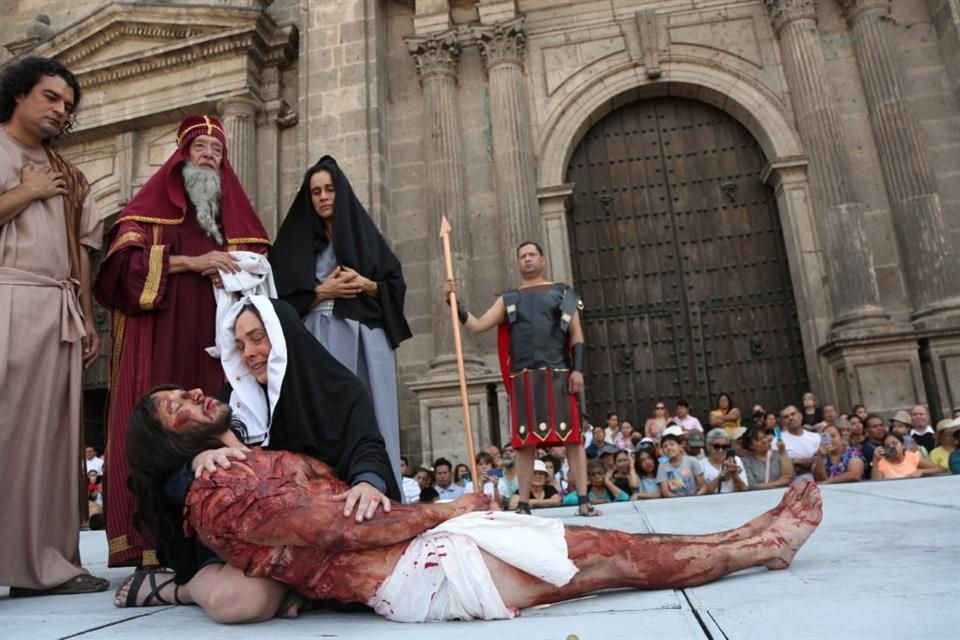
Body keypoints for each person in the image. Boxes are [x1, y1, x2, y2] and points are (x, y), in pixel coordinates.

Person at [123, 392, 823, 623]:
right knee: (609, 556)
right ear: (166, 443)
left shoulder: (245, 459)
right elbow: (332, 528)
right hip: (412, 573)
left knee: (603, 548)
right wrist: (445, 508)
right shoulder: (217, 490)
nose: (192, 398)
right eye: (174, 409)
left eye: (185, 390)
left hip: (417, 551)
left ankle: (751, 534)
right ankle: (761, 546)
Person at [115, 296, 400, 618]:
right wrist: (198, 459)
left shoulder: (342, 391)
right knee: (238, 600)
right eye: (239, 345)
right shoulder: (230, 406)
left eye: (257, 338)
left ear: (283, 334)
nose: (248, 353)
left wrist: (367, 481)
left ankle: (303, 590)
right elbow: (169, 464)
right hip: (249, 548)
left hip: (320, 530)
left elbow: (367, 446)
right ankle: (178, 589)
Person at [95, 114, 270, 567]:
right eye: (201, 149)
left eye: (217, 151)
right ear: (182, 157)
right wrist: (192, 263)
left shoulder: (234, 220)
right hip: (162, 340)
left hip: (220, 346)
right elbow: (120, 274)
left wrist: (239, 265)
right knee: (165, 427)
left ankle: (229, 533)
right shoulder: (148, 215)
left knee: (219, 420)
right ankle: (154, 541)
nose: (210, 156)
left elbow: (264, 269)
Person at [0, 57, 109, 596]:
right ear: (18, 94)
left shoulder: (70, 174)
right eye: (49, 97)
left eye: (66, 104)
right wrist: (25, 192)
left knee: (49, 442)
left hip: (57, 309)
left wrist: (88, 317)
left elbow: (82, 254)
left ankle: (41, 566)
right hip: (7, 298)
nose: (59, 110)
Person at [270, 156, 412, 490]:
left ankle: (380, 490)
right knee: (327, 416)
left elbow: (394, 285)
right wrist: (320, 292)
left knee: (374, 411)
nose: (323, 197)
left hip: (367, 336)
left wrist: (367, 285)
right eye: (316, 191)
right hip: (316, 337)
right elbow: (279, 299)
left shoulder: (366, 238)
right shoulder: (296, 244)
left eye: (329, 189)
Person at [444, 241, 593, 516]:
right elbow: (477, 325)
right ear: (517, 263)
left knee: (572, 439)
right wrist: (455, 303)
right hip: (524, 378)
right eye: (522, 256)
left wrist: (578, 370)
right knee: (525, 443)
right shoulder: (509, 299)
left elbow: (577, 335)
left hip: (559, 374)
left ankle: (584, 500)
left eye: (532, 255)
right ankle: (523, 504)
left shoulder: (563, 293)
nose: (527, 259)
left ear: (542, 260)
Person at [870, 433, 942, 480]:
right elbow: (876, 482)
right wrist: (875, 460)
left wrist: (921, 471)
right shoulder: (881, 462)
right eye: (887, 446)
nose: (891, 447)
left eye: (894, 443)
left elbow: (938, 469)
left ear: (903, 445)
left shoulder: (911, 456)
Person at [657, 433, 705, 497]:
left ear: (680, 446)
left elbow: (703, 487)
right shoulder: (662, 466)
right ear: (663, 451)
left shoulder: (692, 461)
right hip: (675, 503)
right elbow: (665, 492)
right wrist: (680, 502)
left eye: (672, 444)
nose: (668, 448)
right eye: (665, 446)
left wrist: (695, 498)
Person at [700, 429, 748, 494]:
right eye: (716, 446)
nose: (720, 450)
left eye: (724, 447)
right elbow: (704, 493)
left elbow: (744, 488)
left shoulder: (736, 460)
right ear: (708, 447)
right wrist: (721, 475)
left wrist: (734, 475)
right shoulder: (701, 465)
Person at [779, 405, 821, 477]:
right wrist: (811, 461)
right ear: (783, 422)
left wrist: (797, 462)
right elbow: (780, 465)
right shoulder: (778, 440)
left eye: (793, 414)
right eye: (786, 417)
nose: (790, 418)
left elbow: (821, 460)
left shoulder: (816, 437)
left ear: (800, 416)